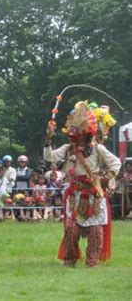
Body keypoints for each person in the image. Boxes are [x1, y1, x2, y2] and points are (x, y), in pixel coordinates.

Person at [44, 101, 121, 267]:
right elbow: (50, 157)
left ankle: (92, 262)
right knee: (71, 229)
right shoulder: (67, 148)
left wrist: (106, 177)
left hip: (94, 193)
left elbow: (115, 163)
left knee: (95, 231)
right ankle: (70, 259)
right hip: (74, 193)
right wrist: (48, 141)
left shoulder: (98, 149)